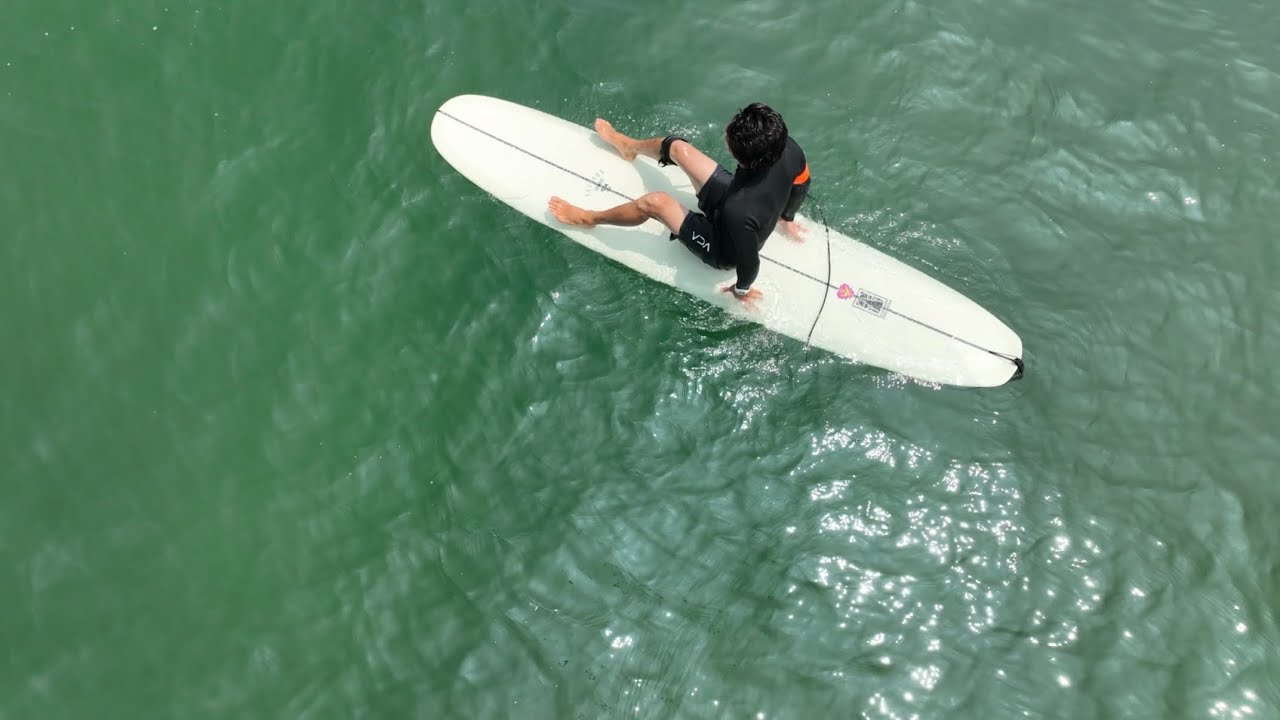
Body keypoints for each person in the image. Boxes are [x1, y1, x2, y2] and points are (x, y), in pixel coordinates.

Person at [547, 103, 811, 309]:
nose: (727, 128)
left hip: (722, 247)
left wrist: (741, 291)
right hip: (735, 198)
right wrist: (787, 218)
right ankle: (628, 146)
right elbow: (802, 183)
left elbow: (749, 260)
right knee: (677, 148)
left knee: (655, 202)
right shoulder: (788, 148)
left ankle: (589, 218)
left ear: (738, 156)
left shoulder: (738, 211)